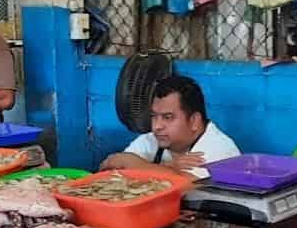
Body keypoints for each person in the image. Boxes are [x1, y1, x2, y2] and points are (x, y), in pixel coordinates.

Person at [101, 74, 240, 178]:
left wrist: (136, 164)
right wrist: (167, 167)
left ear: (194, 121)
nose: (157, 126)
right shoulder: (151, 140)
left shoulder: (219, 148)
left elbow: (185, 187)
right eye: (154, 116)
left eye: (168, 117)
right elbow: (107, 168)